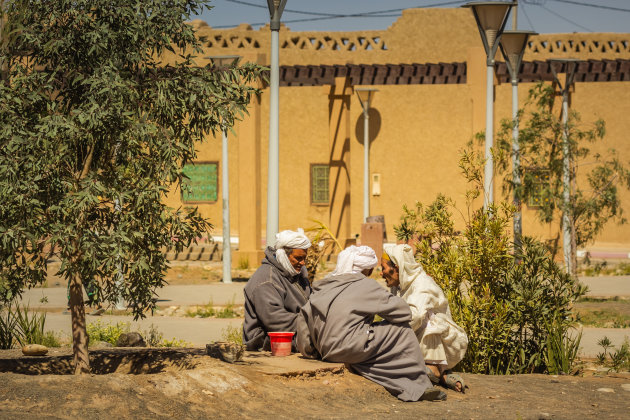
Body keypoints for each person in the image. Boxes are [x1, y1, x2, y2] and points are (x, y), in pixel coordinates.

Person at [296, 245, 446, 402]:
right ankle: (419, 385)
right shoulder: (367, 285)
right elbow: (404, 312)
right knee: (403, 330)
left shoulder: (324, 285)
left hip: (324, 351)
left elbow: (303, 318)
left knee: (365, 334)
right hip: (348, 347)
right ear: (366, 270)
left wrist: (310, 351)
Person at [381, 243, 468, 393]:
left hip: (444, 341)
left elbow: (413, 318)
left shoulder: (422, 284)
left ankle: (433, 367)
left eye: (383, 268)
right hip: (412, 338)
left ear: (396, 268)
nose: (381, 273)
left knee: (427, 318)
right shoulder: (400, 285)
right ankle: (442, 374)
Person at [243, 228, 312, 351]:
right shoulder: (267, 280)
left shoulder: (296, 274)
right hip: (266, 341)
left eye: (304, 258)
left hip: (297, 331)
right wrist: (310, 323)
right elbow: (274, 319)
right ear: (283, 255)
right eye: (298, 258)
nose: (303, 263)